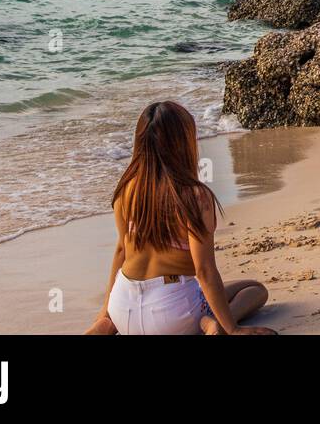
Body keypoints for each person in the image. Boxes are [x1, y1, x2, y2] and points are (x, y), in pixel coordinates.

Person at [86, 101, 276, 335]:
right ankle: (210, 324)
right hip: (173, 315)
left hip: (123, 309)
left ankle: (106, 325)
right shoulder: (195, 196)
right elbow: (204, 271)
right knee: (254, 289)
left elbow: (120, 252)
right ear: (182, 142)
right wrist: (233, 329)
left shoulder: (126, 189)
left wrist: (105, 313)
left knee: (144, 298)